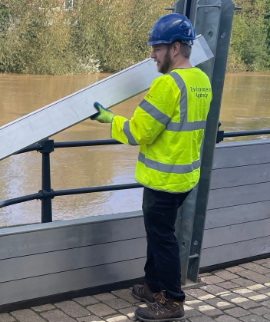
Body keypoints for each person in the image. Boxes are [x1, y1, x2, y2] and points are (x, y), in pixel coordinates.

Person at [89, 13, 212, 321]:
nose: (152, 55)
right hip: (185, 177)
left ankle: (172, 301)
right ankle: (153, 285)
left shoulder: (167, 85)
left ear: (175, 48)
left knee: (162, 239)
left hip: (163, 178)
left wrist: (110, 120)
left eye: (157, 48)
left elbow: (139, 132)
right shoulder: (200, 80)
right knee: (160, 234)